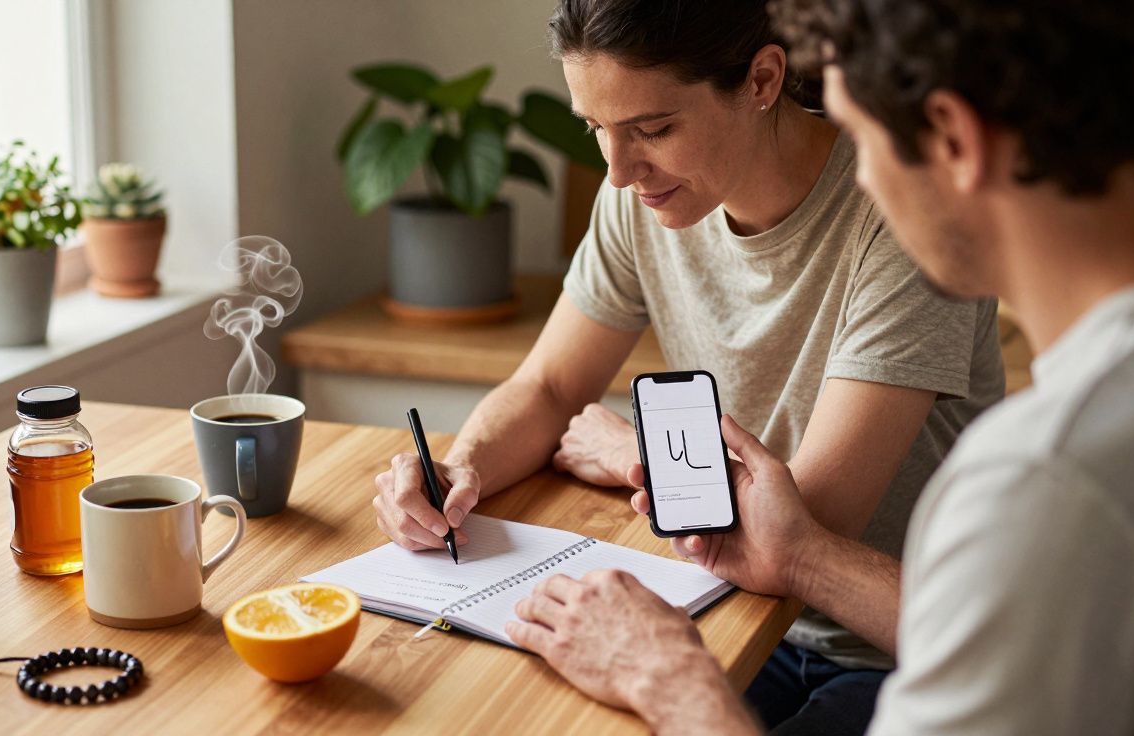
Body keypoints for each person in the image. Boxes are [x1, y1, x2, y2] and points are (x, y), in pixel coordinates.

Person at [506, 0, 1134, 733]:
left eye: (863, 135)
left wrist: (670, 677)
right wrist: (801, 557)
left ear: (952, 139)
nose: (864, 178)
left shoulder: (1044, 478)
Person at [373, 0, 1003, 731]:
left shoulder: (900, 216)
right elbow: (548, 387)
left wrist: (637, 449)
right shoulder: (646, 198)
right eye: (596, 130)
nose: (617, 172)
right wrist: (459, 471)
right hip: (738, 616)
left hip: (897, 647)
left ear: (763, 78)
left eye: (653, 129)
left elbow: (803, 525)